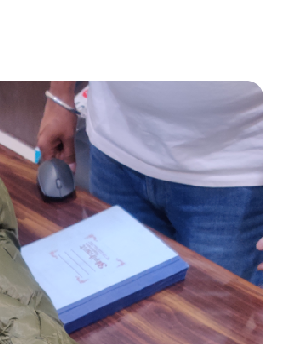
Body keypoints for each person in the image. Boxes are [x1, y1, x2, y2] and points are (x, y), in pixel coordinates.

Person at [37, 82, 263, 286]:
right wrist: (60, 95)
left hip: (235, 175)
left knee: (212, 313)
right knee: (115, 297)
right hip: (114, 148)